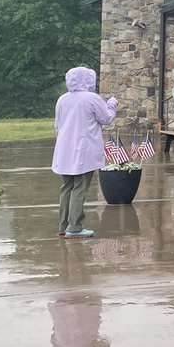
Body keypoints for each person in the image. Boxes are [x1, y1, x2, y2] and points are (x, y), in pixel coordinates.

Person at [51, 66, 118, 239]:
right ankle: (75, 227)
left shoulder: (62, 99)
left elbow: (57, 125)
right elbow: (106, 118)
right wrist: (111, 104)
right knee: (80, 188)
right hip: (83, 150)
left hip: (65, 149)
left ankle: (63, 225)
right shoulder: (91, 98)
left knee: (67, 187)